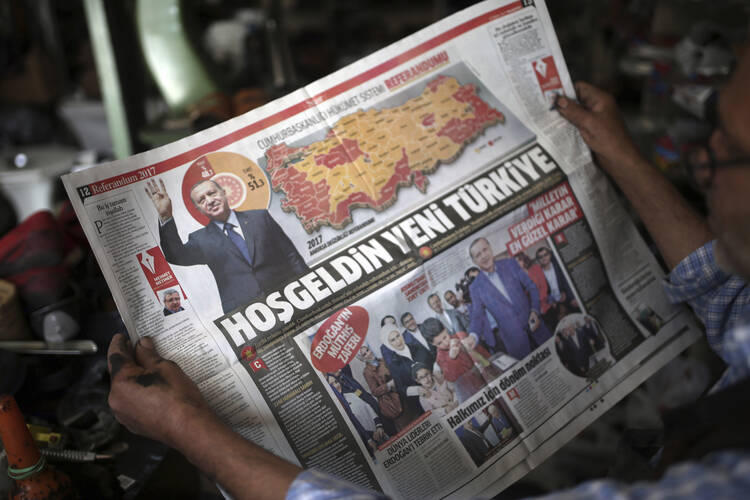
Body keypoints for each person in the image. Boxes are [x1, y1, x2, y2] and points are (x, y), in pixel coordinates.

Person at [107, 48, 750, 499]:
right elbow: (729, 293)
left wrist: (183, 427)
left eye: (721, 150)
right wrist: (617, 151)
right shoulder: (194, 236)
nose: (704, 160)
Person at [146, 178, 308, 314]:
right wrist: (166, 216)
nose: (209, 200)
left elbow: (291, 255)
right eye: (202, 200)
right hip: (247, 313)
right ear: (198, 209)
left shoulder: (260, 216)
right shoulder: (200, 239)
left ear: (223, 192)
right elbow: (175, 256)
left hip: (289, 299)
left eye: (211, 193)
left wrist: (308, 288)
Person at [468, 237, 552, 360]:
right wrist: (473, 335)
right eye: (478, 255)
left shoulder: (510, 263)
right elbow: (477, 315)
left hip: (537, 327)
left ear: (490, 248)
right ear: (475, 261)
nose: (483, 256)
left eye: (485, 250)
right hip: (515, 341)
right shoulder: (475, 287)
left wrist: (535, 311)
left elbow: (531, 287)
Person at [357, 344, 418, 432]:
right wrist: (388, 385)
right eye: (364, 354)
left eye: (367, 350)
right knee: (408, 429)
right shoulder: (367, 372)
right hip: (394, 402)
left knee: (417, 419)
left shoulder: (382, 360)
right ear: (362, 359)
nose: (368, 353)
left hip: (405, 395)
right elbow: (374, 391)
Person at [378, 325, 426, 416]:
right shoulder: (393, 364)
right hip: (421, 400)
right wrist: (417, 390)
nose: (398, 341)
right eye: (392, 340)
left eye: (398, 336)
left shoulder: (417, 347)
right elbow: (400, 388)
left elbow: (431, 362)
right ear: (388, 344)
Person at [535, 246, 580, 326]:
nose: (544, 258)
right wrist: (551, 301)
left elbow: (566, 281)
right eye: (540, 257)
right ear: (538, 260)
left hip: (567, 297)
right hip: (553, 304)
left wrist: (571, 296)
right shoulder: (539, 274)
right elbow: (542, 292)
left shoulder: (558, 266)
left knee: (577, 318)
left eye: (546, 255)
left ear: (550, 255)